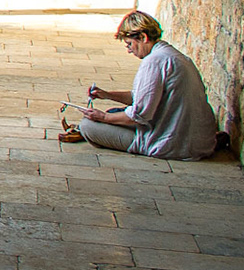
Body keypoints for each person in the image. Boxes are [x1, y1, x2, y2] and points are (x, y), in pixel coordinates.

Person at [78, 11, 221, 159]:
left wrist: (104, 118)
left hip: (172, 144)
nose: (129, 50)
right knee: (115, 112)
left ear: (143, 37)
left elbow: (140, 114)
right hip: (201, 141)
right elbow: (143, 97)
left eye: (130, 44)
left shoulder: (153, 62)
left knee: (88, 126)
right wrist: (107, 95)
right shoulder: (175, 55)